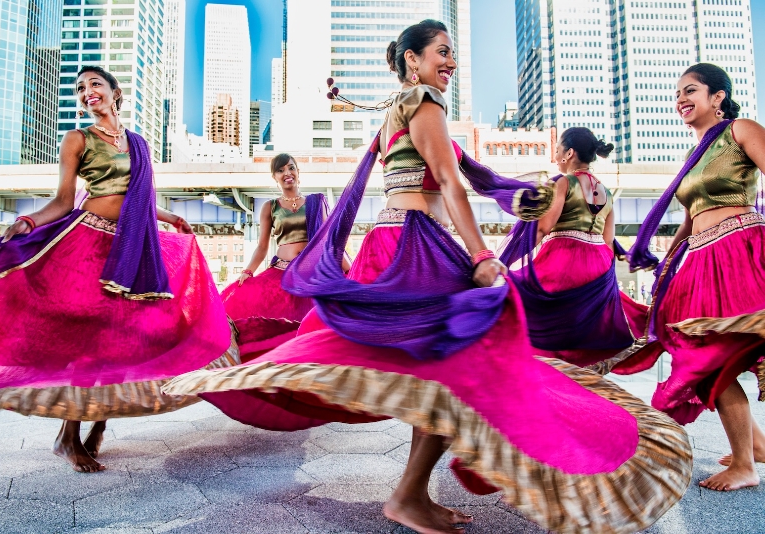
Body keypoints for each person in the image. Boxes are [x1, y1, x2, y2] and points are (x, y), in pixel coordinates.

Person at [165, 20, 692, 534]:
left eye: (452, 53)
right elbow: (447, 179)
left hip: (397, 242)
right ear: (412, 60)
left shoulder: (397, 111)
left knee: (441, 365)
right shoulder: (424, 102)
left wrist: (507, 197)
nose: (452, 63)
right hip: (418, 247)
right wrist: (482, 252)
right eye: (442, 51)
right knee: (460, 360)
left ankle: (410, 490)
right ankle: (408, 491)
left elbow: (458, 174)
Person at [0, 66, 235, 473]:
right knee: (87, 340)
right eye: (79, 88)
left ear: (114, 92)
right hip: (87, 244)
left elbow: (135, 197)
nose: (86, 92)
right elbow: (63, 200)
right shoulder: (78, 139)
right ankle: (68, 435)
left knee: (123, 338)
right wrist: (30, 222)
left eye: (95, 84)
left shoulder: (139, 144)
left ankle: (99, 426)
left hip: (130, 244)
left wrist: (170, 216)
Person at [613, 63, 765, 491]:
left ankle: (744, 465)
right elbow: (688, 218)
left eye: (691, 90)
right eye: (677, 92)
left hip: (738, 252)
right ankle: (753, 447)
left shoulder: (741, 130)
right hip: (700, 260)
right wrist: (660, 256)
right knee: (698, 354)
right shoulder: (693, 155)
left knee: (709, 355)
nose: (681, 98)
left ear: (717, 97)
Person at [502, 127, 648, 367]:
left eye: (558, 149)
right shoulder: (607, 192)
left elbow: (542, 228)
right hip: (598, 263)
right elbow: (608, 239)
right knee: (578, 326)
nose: (556, 154)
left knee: (513, 297)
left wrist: (505, 262)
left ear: (569, 153)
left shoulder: (564, 183)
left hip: (563, 258)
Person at [220, 154, 331, 361]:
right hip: (280, 276)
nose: (287, 173)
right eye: (281, 170)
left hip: (310, 277)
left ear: (298, 172)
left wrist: (342, 268)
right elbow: (262, 246)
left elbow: (326, 241)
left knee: (310, 329)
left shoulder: (316, 202)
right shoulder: (270, 207)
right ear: (274, 177)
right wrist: (248, 271)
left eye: (291, 168)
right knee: (270, 323)